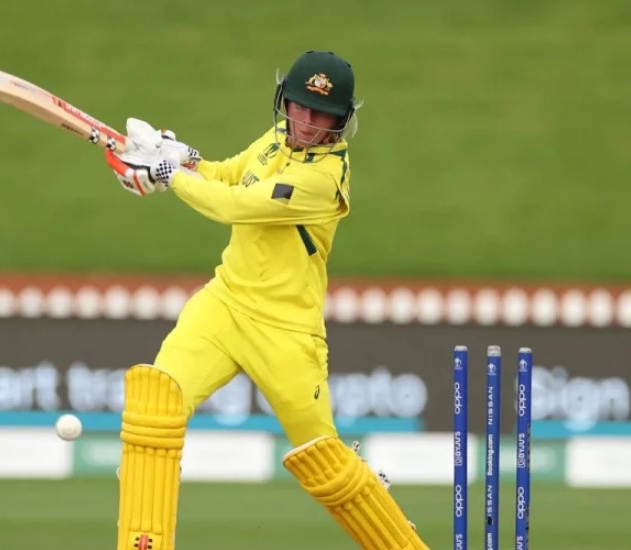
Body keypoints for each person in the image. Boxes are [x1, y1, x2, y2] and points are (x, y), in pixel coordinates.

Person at [104, 50, 429, 550]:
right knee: (156, 403)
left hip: (285, 331)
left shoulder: (323, 180)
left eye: (321, 114)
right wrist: (183, 156)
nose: (307, 121)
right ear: (284, 101)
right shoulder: (277, 137)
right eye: (299, 106)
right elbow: (227, 175)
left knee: (327, 462)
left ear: (341, 121)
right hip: (224, 303)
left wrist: (167, 173)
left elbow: (237, 206)